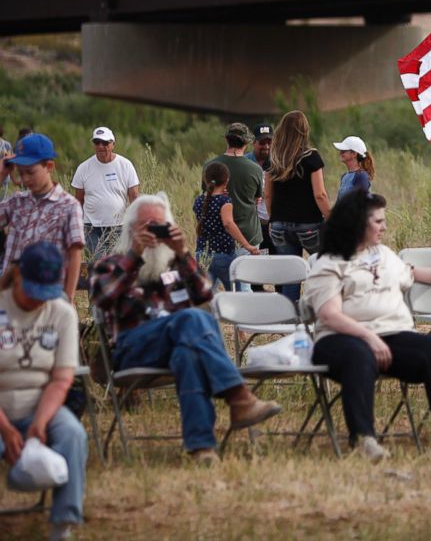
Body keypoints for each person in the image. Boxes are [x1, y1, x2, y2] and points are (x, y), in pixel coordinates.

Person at [89, 194, 281, 462]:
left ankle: (201, 447)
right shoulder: (110, 264)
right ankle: (239, 397)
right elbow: (103, 298)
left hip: (178, 346)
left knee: (188, 354)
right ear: (131, 229)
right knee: (191, 319)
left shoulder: (176, 265)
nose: (154, 234)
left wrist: (182, 253)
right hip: (132, 349)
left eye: (160, 226)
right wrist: (134, 255)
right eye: (147, 226)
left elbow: (206, 294)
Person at [303, 191, 431, 463]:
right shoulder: (330, 263)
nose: (385, 227)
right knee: (360, 354)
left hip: (392, 336)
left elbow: (412, 273)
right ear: (358, 223)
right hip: (340, 339)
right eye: (378, 221)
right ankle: (364, 440)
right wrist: (369, 337)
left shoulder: (383, 254)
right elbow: (330, 315)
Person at [0, 242, 86, 540]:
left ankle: (63, 523)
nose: (39, 301)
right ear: (19, 276)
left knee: (73, 434)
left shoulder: (62, 313)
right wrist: (6, 429)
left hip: (42, 403)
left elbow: (61, 378)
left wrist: (39, 421)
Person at [0, 133, 84, 302]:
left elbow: (75, 254)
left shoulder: (69, 205)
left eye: (30, 172)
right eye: (21, 173)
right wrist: (1, 175)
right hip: (10, 295)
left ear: (49, 166)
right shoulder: (17, 202)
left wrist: (68, 297)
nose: (25, 179)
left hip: (46, 297)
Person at [266, 111, 331, 303]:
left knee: (291, 275)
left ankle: (290, 320)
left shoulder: (274, 158)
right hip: (309, 224)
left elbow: (268, 194)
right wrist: (331, 216)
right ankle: (325, 309)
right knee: (327, 267)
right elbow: (319, 194)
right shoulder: (311, 157)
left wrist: (273, 219)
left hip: (279, 225)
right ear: (304, 130)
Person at [204, 123, 264, 289]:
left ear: (226, 140)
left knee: (208, 287)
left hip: (217, 236)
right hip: (247, 234)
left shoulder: (211, 166)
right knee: (244, 286)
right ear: (247, 143)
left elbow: (206, 197)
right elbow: (257, 200)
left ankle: (211, 314)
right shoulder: (255, 169)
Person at [71, 126, 140, 256]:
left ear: (113, 144)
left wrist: (136, 223)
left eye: (105, 143)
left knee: (117, 263)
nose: (101, 146)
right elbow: (78, 201)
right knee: (99, 263)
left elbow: (134, 197)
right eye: (97, 142)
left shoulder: (125, 165)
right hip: (91, 228)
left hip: (118, 227)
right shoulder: (84, 168)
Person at [194, 162, 260, 290]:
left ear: (205, 180)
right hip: (223, 254)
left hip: (202, 253)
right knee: (236, 292)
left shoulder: (199, 201)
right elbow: (228, 223)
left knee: (206, 294)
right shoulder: (225, 201)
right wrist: (247, 245)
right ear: (226, 181)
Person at [245, 123, 274, 254]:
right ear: (254, 142)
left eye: (269, 142)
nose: (266, 146)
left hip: (273, 222)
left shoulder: (277, 162)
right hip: (252, 223)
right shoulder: (245, 162)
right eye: (262, 142)